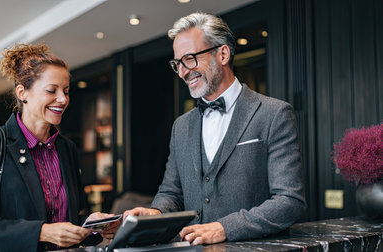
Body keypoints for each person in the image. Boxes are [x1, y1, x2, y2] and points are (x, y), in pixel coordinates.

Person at [124, 12, 307, 245]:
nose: (182, 72)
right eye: (177, 64)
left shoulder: (274, 114)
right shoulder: (180, 126)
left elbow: (289, 201)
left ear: (222, 54)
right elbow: (171, 192)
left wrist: (225, 228)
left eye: (189, 59)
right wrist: (157, 212)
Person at [0, 43, 116, 251]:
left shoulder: (67, 148)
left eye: (66, 91)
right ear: (22, 93)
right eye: (52, 90)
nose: (62, 99)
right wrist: (43, 232)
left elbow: (69, 220)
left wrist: (92, 225)